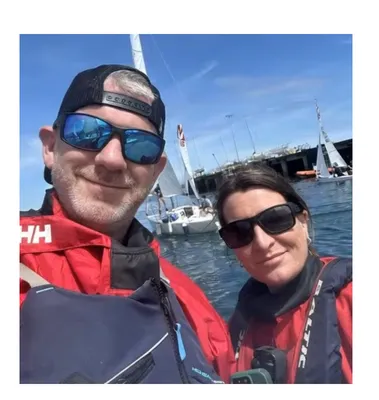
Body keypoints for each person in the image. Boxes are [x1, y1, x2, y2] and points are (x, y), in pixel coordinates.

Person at [20, 64, 234, 384]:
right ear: (50, 147)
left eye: (141, 146)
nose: (112, 159)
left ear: (156, 170)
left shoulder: (193, 304)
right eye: (87, 132)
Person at [215, 165, 352, 384]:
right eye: (239, 232)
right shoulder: (234, 330)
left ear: (303, 221)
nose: (262, 243)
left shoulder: (350, 301)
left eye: (276, 219)